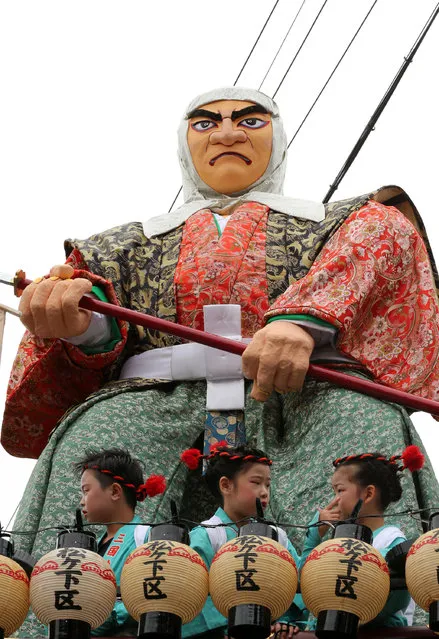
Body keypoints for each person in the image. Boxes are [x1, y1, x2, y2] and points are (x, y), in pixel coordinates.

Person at [2, 87, 439, 591]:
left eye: (250, 122)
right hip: (156, 397)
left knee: (362, 424)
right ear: (184, 144)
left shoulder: (345, 220)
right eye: (206, 124)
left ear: (278, 138)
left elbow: (386, 239)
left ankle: (365, 592)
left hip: (302, 391)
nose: (228, 133)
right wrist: (79, 321)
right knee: (98, 440)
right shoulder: (121, 244)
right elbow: (98, 321)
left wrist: (302, 322)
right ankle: (76, 594)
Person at [180, 443, 307, 638]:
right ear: (226, 485)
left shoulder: (277, 536)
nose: (264, 492)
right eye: (256, 483)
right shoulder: (207, 536)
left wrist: (286, 620)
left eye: (268, 484)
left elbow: (298, 582)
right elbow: (190, 594)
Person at [301, 445, 425, 628]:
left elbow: (395, 600)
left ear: (368, 494)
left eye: (340, 491)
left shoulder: (392, 540)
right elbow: (304, 582)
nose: (334, 501)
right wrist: (314, 535)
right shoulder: (337, 542)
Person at [76, 447, 166, 637]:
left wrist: (108, 617)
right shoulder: (90, 547)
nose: (82, 502)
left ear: (115, 491)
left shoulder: (147, 538)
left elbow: (155, 592)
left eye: (86, 491)